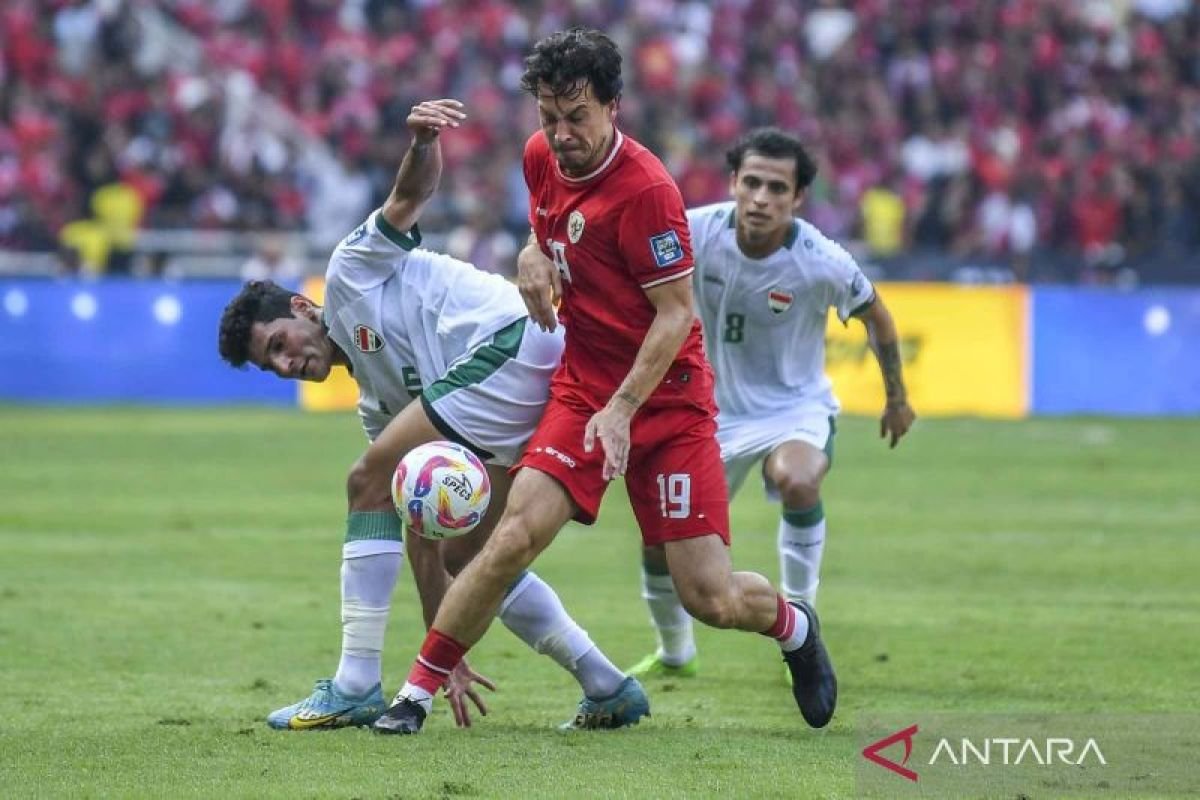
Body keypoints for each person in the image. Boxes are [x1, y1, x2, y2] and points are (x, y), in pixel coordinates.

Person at [374, 29, 836, 736]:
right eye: (549, 116)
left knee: (709, 598)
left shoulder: (649, 191)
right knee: (511, 537)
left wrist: (625, 409)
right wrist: (531, 252)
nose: (560, 135)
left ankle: (792, 624)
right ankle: (414, 695)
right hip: (583, 389)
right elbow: (550, 230)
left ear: (614, 106)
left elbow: (677, 315)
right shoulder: (540, 159)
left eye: (576, 116)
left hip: (669, 405)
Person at [217, 98, 645, 732]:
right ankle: (607, 683)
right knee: (474, 552)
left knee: (366, 479)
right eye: (270, 365)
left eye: (279, 343)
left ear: (305, 310)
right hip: (520, 380)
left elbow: (407, 200)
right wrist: (442, 648)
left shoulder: (347, 276)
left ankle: (357, 680)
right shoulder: (375, 404)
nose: (285, 364)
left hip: (514, 341)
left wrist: (420, 142)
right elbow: (423, 531)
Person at [627, 128, 916, 679]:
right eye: (752, 183)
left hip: (793, 409)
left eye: (777, 189)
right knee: (659, 541)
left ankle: (804, 619)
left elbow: (878, 315)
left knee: (799, 479)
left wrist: (896, 397)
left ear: (798, 198)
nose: (761, 198)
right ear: (733, 183)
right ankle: (675, 651)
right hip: (706, 415)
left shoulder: (819, 260)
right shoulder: (693, 232)